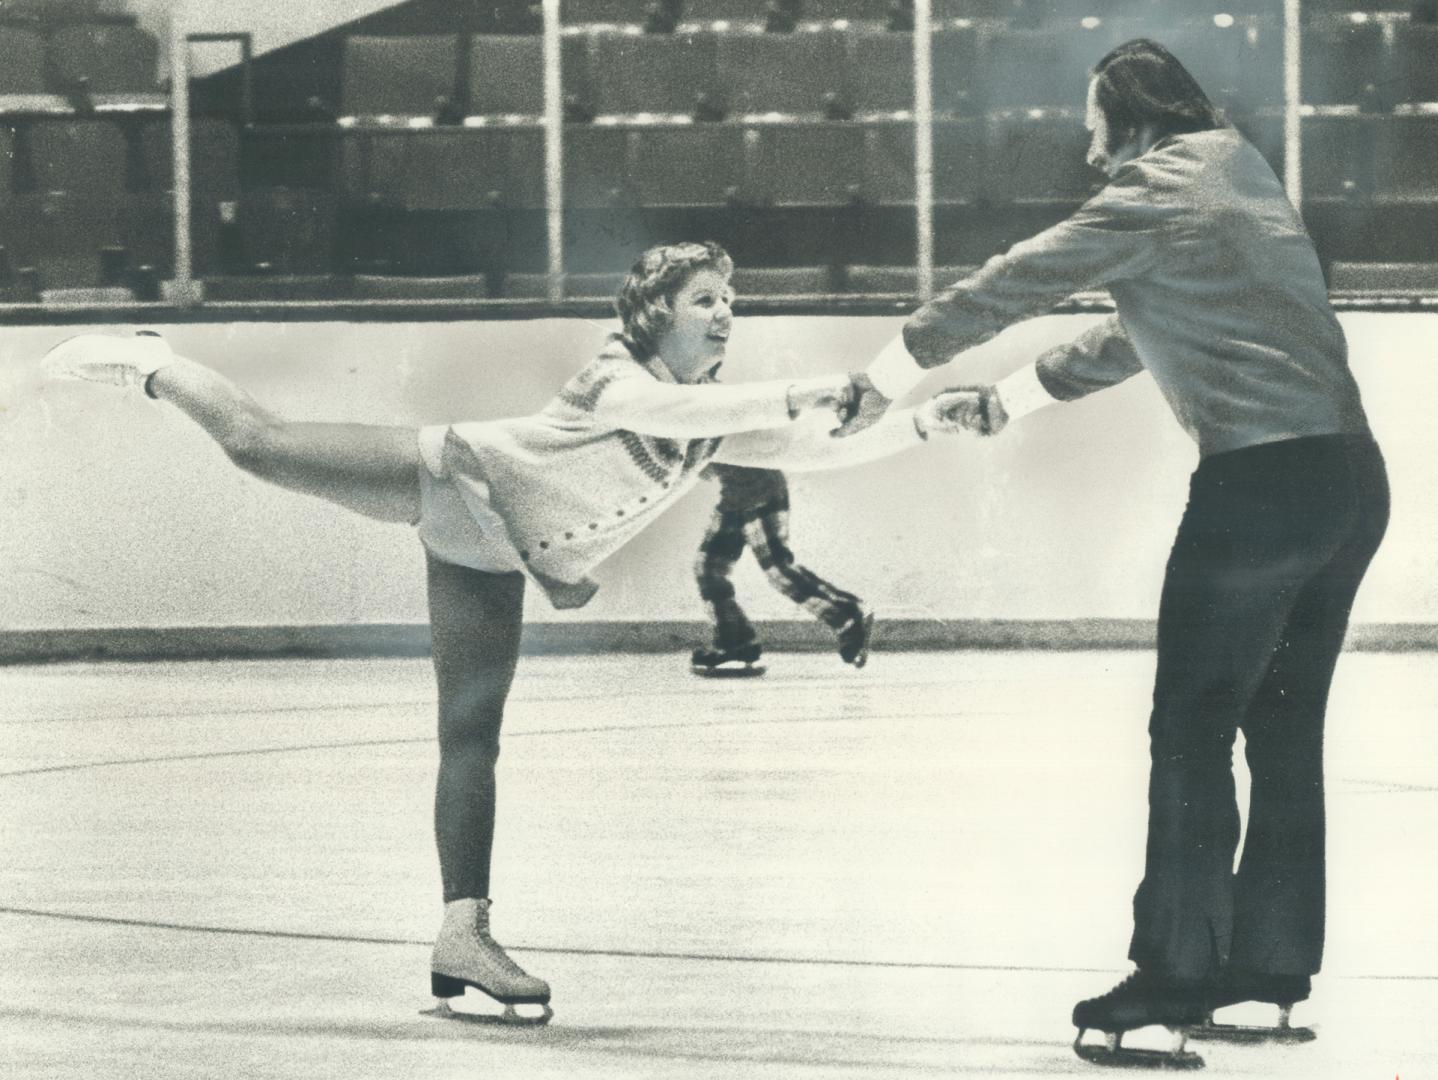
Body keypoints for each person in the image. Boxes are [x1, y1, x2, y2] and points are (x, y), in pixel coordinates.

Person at [41, 240, 949, 1025]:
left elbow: (815, 449)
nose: (725, 317)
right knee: (257, 445)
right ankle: (154, 360)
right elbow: (684, 413)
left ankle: (461, 933)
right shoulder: (617, 379)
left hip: (492, 548)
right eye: (707, 299)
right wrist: (818, 388)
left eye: (732, 302)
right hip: (450, 474)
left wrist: (927, 421)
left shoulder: (710, 421)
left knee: (471, 732)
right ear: (655, 308)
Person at [840, 39, 1389, 1067]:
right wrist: (1001, 401)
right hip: (1348, 484)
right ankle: (1264, 982)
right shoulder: (1234, 182)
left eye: (1096, 129)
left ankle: (1170, 983)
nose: (1091, 156)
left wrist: (887, 371)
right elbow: (1129, 339)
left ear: (1134, 119)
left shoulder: (1159, 186)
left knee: (1187, 731)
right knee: (1278, 735)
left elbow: (1020, 277)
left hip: (1260, 489)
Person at [690, 463, 874, 676]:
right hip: (737, 496)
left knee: (777, 570)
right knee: (707, 568)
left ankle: (848, 613)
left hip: (759, 492)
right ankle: (735, 642)